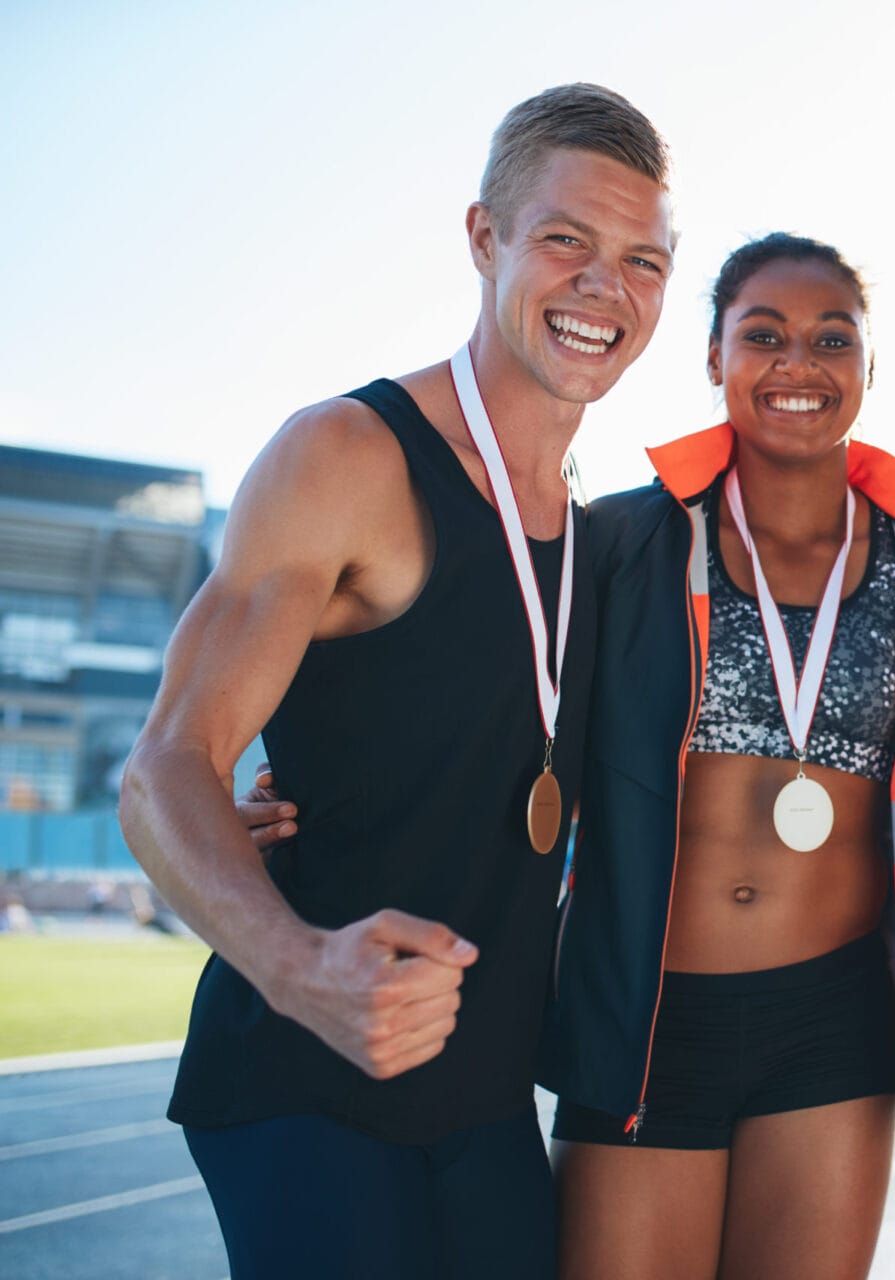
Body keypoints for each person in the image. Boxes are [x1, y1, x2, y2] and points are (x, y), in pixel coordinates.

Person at [119, 84, 675, 1280]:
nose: (603, 288)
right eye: (565, 240)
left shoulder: (594, 532)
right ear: (485, 239)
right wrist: (299, 965)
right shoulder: (349, 455)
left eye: (643, 260)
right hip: (302, 1080)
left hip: (478, 1102)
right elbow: (166, 764)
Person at [536, 233, 895, 1280]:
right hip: (650, 1012)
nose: (800, 363)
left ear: (869, 371)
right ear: (713, 358)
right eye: (765, 335)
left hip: (834, 1021)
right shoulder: (622, 543)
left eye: (834, 339)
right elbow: (501, 707)